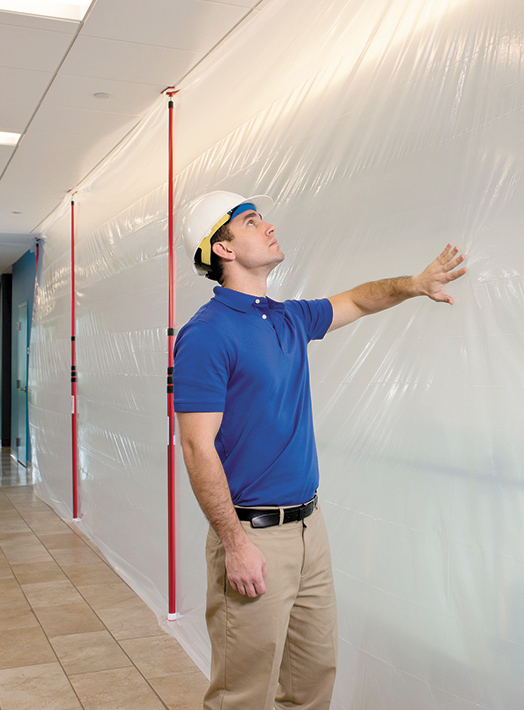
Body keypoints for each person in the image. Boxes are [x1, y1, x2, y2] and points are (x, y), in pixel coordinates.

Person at [173, 190, 466, 710]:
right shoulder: (206, 334)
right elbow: (197, 449)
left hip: (310, 528)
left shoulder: (286, 318)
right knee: (243, 693)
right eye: (249, 221)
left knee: (313, 682)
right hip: (253, 537)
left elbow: (356, 299)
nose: (267, 226)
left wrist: (414, 285)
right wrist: (235, 544)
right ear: (223, 249)